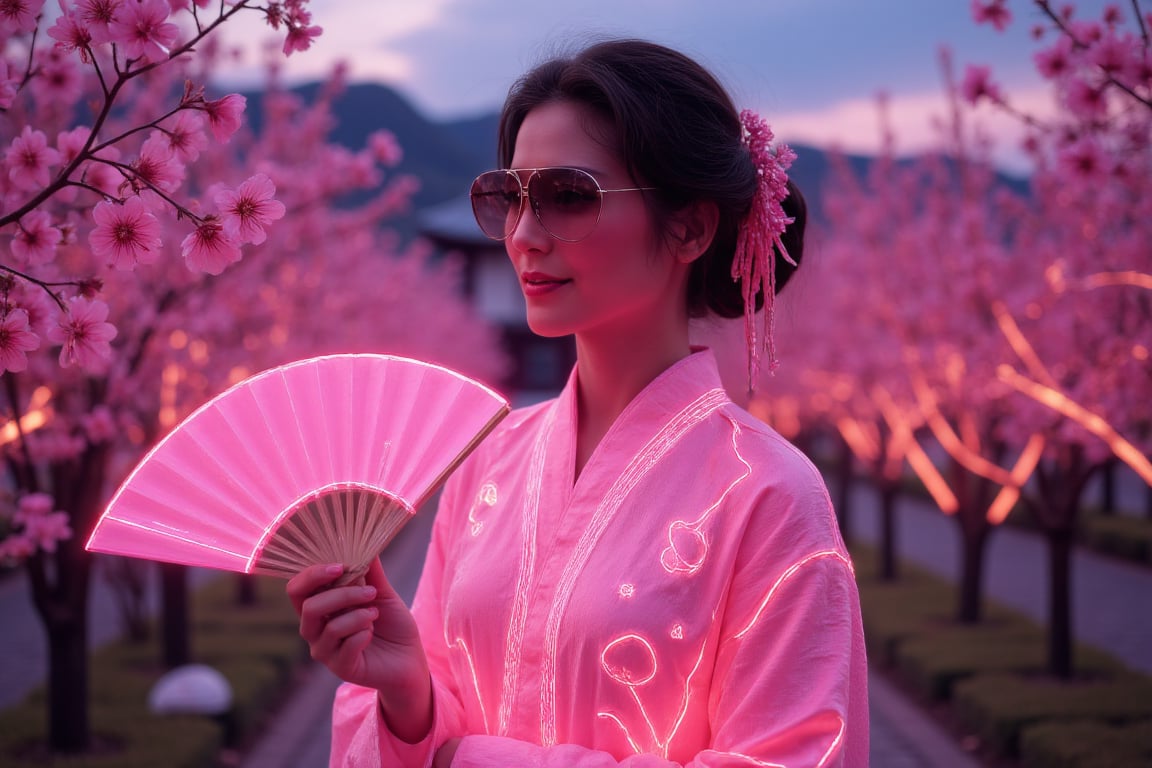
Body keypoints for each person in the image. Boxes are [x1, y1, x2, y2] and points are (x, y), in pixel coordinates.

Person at [288, 38, 869, 767]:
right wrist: (409, 696)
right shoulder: (486, 461)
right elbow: (436, 716)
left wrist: (471, 760)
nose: (525, 237)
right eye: (509, 198)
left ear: (689, 225)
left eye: (568, 197)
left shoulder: (773, 495)